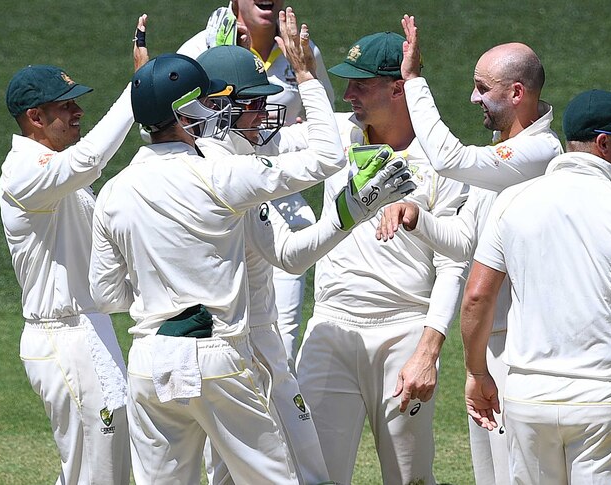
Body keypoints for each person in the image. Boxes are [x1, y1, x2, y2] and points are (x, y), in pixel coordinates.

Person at [87, 9, 349, 484]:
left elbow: (106, 297)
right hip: (217, 356)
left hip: (149, 361)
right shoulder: (222, 176)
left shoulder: (111, 194)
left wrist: (158, 298)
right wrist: (306, 74)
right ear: (192, 111)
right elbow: (329, 156)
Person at [193, 44, 413, 485]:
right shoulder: (229, 176)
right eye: (253, 103)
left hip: (233, 346)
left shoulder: (215, 162)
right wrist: (347, 213)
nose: (266, 112)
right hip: (238, 348)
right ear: (218, 108)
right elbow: (294, 248)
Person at [373, 16, 565, 484]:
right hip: (490, 344)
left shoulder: (539, 152)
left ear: (517, 93)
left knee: (520, 475)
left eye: (482, 88)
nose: (473, 98)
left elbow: (450, 159)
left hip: (527, 347)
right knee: (490, 474)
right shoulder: (500, 153)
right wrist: (420, 221)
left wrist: (414, 81)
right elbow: (464, 242)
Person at [462, 89, 611, 484]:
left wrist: (478, 373)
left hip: (528, 400)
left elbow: (477, 296)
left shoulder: (511, 202)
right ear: (603, 143)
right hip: (604, 401)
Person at [282, 30, 469, 485]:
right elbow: (257, 142)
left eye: (360, 85)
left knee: (410, 479)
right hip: (330, 329)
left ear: (398, 88)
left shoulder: (443, 158)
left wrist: (428, 351)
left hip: (403, 333)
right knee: (313, 476)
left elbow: (453, 265)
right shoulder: (337, 135)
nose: (347, 95)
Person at [0, 15, 148, 485]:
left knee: (106, 464)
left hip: (90, 328)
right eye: (65, 106)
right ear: (35, 118)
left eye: (76, 102)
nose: (78, 111)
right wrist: (138, 90)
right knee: (96, 470)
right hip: (61, 335)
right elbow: (90, 162)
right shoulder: (25, 173)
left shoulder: (55, 168)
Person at [178, 0, 337, 361]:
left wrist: (305, 132)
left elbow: (324, 109)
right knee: (224, 324)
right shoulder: (199, 47)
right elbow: (173, 121)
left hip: (279, 197)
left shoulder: (302, 49)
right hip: (216, 197)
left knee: (281, 333)